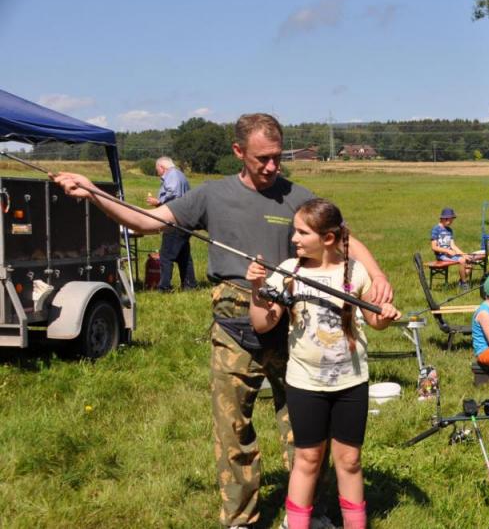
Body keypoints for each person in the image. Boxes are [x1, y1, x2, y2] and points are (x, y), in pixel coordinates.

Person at [53, 113, 393, 529]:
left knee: (307, 438)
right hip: (233, 326)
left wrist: (376, 276)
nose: (271, 167)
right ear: (238, 152)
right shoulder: (210, 196)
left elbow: (342, 238)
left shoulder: (296, 195)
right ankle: (240, 519)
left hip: (293, 329)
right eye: (261, 158)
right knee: (234, 433)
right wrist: (92, 193)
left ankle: (309, 515)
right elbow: (145, 222)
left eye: (276, 158)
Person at [247, 198, 401, 529]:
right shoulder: (289, 271)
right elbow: (262, 323)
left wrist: (385, 315)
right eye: (294, 232)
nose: (294, 239)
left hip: (351, 383)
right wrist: (257, 288)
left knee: (350, 460)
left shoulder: (355, 272)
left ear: (328, 238)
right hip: (305, 384)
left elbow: (375, 323)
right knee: (308, 459)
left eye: (302, 232)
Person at [146, 156, 197, 291]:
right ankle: (190, 285)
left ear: (162, 167)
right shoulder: (179, 174)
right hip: (184, 220)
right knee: (183, 256)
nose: (157, 172)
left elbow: (174, 194)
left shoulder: (173, 175)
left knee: (166, 256)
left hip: (175, 220)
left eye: (157, 169)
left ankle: (164, 287)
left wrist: (158, 202)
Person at [430, 207, 472, 291]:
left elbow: (453, 246)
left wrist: (464, 254)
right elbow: (434, 247)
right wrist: (447, 251)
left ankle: (461, 281)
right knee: (462, 261)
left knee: (469, 263)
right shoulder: (436, 229)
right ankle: (464, 283)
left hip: (450, 254)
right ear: (444, 219)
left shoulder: (449, 230)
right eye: (451, 220)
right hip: (441, 255)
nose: (451, 222)